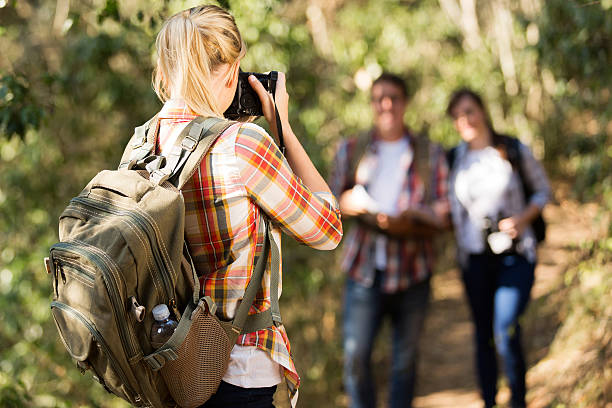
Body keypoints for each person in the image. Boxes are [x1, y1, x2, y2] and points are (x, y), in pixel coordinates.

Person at [149, 5, 343, 407]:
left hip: (169, 369)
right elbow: (327, 230)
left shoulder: (145, 144)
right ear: (235, 70)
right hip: (236, 368)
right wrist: (283, 128)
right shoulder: (241, 144)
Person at [329, 73, 450, 408]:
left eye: (394, 97)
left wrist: (412, 216)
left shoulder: (429, 153)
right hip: (364, 271)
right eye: (379, 98)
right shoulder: (351, 149)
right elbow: (326, 203)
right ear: (371, 103)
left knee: (405, 364)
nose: (386, 104)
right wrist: (347, 204)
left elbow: (445, 210)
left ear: (405, 102)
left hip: (413, 271)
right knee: (355, 359)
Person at [445, 88, 550, 408]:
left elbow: (543, 191)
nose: (465, 120)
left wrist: (522, 219)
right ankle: (489, 400)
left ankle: (518, 399)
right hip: (474, 260)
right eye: (457, 116)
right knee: (483, 336)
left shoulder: (512, 149)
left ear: (483, 110)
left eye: (470, 111)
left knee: (504, 328)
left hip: (515, 256)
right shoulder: (453, 159)